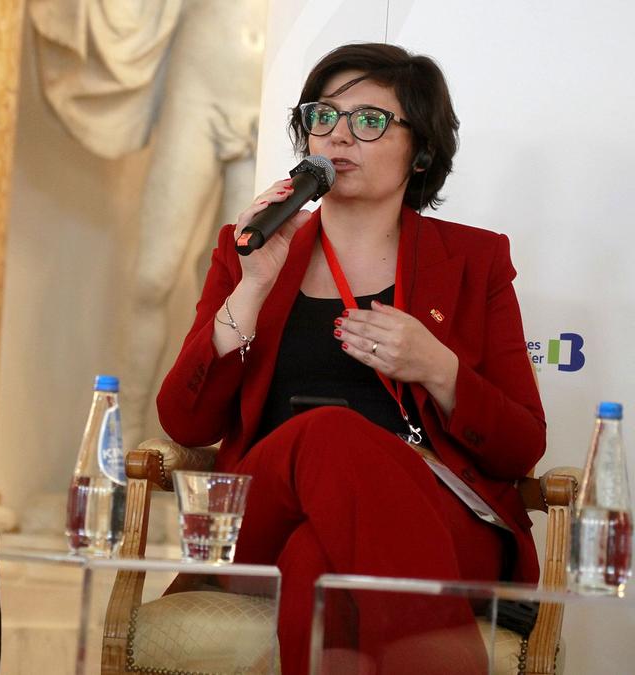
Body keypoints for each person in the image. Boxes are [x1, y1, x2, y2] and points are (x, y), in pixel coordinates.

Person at [157, 43, 545, 674]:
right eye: (323, 116)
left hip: (436, 517)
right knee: (329, 433)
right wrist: (252, 286)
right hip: (263, 516)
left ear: (421, 150)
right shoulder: (248, 250)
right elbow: (186, 422)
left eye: (369, 121)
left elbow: (519, 446)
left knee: (318, 561)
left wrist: (437, 368)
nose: (338, 135)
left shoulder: (475, 262)